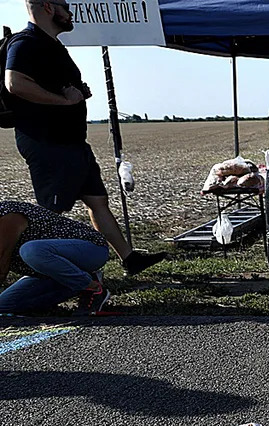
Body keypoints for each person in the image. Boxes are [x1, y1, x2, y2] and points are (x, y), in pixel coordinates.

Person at [4, 0, 165, 276]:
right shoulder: (26, 42)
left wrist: (77, 94)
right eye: (65, 6)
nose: (70, 11)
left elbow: (51, 85)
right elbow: (14, 83)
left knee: (97, 201)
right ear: (48, 7)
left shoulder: (52, 45)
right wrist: (64, 102)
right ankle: (47, 269)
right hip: (48, 143)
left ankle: (129, 259)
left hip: (72, 142)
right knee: (52, 212)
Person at [0, 200, 111, 315]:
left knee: (31, 250)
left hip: (91, 249)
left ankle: (93, 288)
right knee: (4, 305)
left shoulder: (8, 216)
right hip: (48, 272)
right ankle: (83, 279)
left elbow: (1, 266)